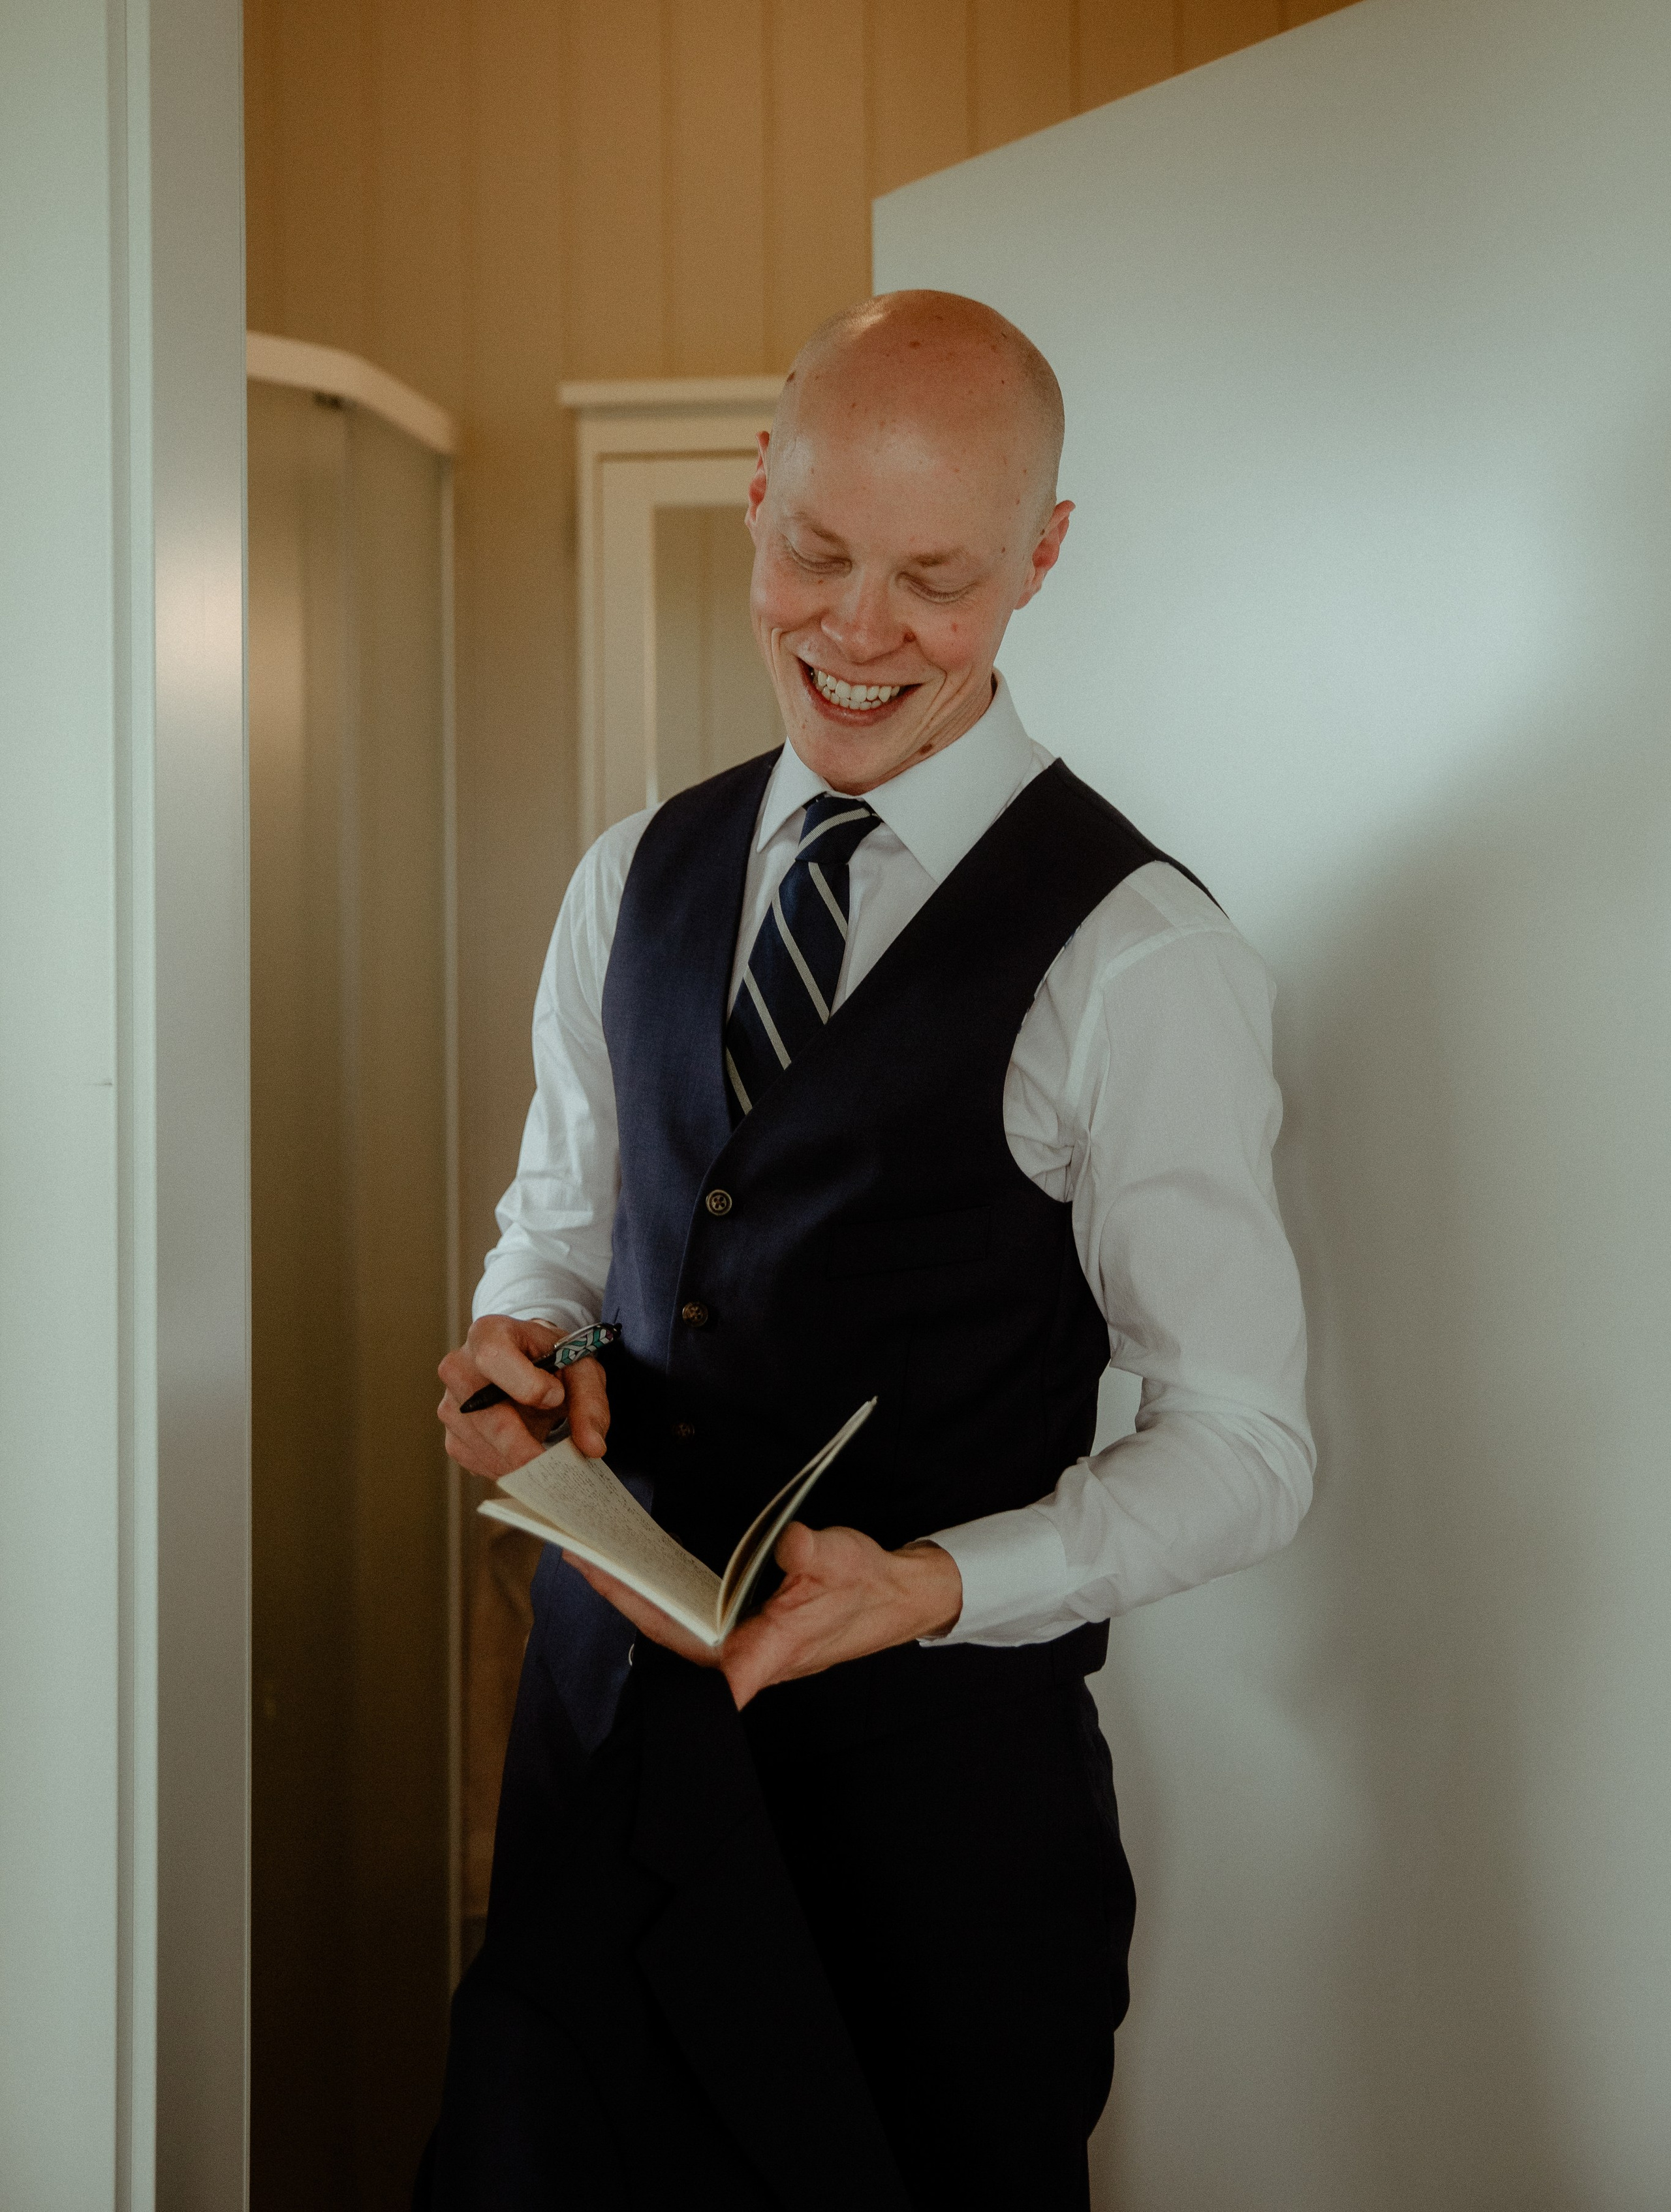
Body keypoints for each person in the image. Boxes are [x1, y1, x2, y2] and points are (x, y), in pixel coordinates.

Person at [419, 290, 1312, 2212]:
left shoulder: (1142, 959)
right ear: (758, 492)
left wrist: (932, 1584)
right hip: (601, 1779)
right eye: (818, 551)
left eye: (937, 579)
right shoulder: (627, 878)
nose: (856, 629)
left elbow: (1250, 1446)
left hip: (930, 1852)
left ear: (1041, 557)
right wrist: (515, 1353)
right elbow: (556, 1236)